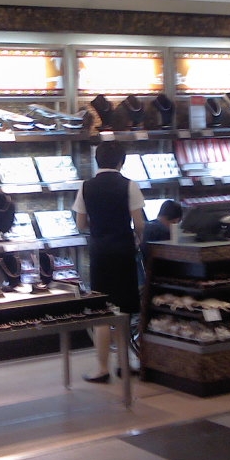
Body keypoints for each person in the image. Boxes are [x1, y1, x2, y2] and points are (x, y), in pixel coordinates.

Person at [72, 141, 145, 383]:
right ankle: (125, 364)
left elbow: (81, 224)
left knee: (102, 310)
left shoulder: (86, 187)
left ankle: (101, 368)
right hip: (123, 251)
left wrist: (99, 229)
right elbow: (139, 223)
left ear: (97, 161)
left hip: (100, 253)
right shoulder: (129, 185)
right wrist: (137, 239)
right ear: (121, 162)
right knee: (124, 310)